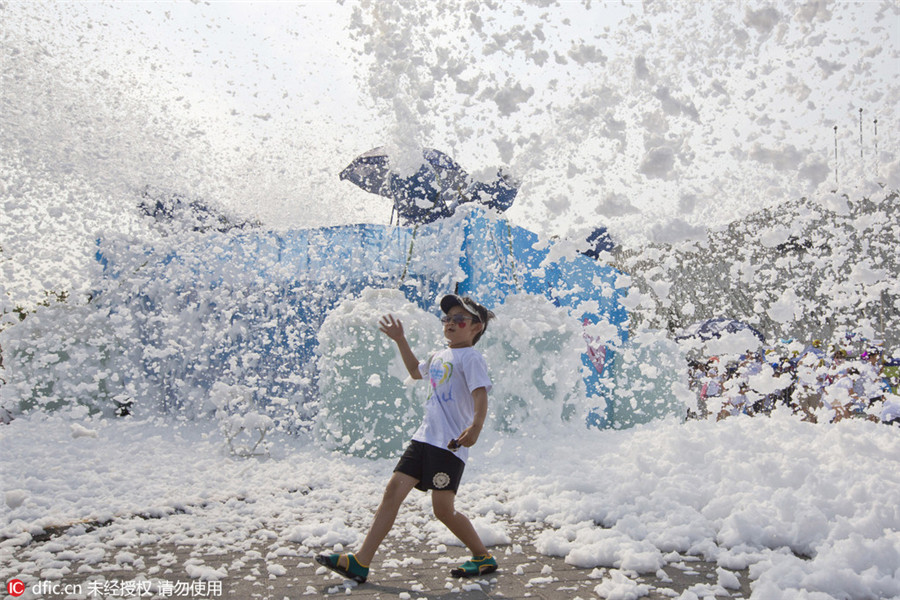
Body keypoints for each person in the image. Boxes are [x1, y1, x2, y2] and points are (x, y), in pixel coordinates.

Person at [316, 294, 497, 583]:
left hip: (449, 445)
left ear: (476, 328)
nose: (451, 323)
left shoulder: (472, 357)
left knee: (443, 511)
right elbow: (415, 372)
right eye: (447, 318)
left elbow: (480, 393)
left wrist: (476, 426)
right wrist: (400, 339)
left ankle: (482, 556)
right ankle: (360, 562)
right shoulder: (440, 355)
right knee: (392, 492)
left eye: (459, 319)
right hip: (423, 439)